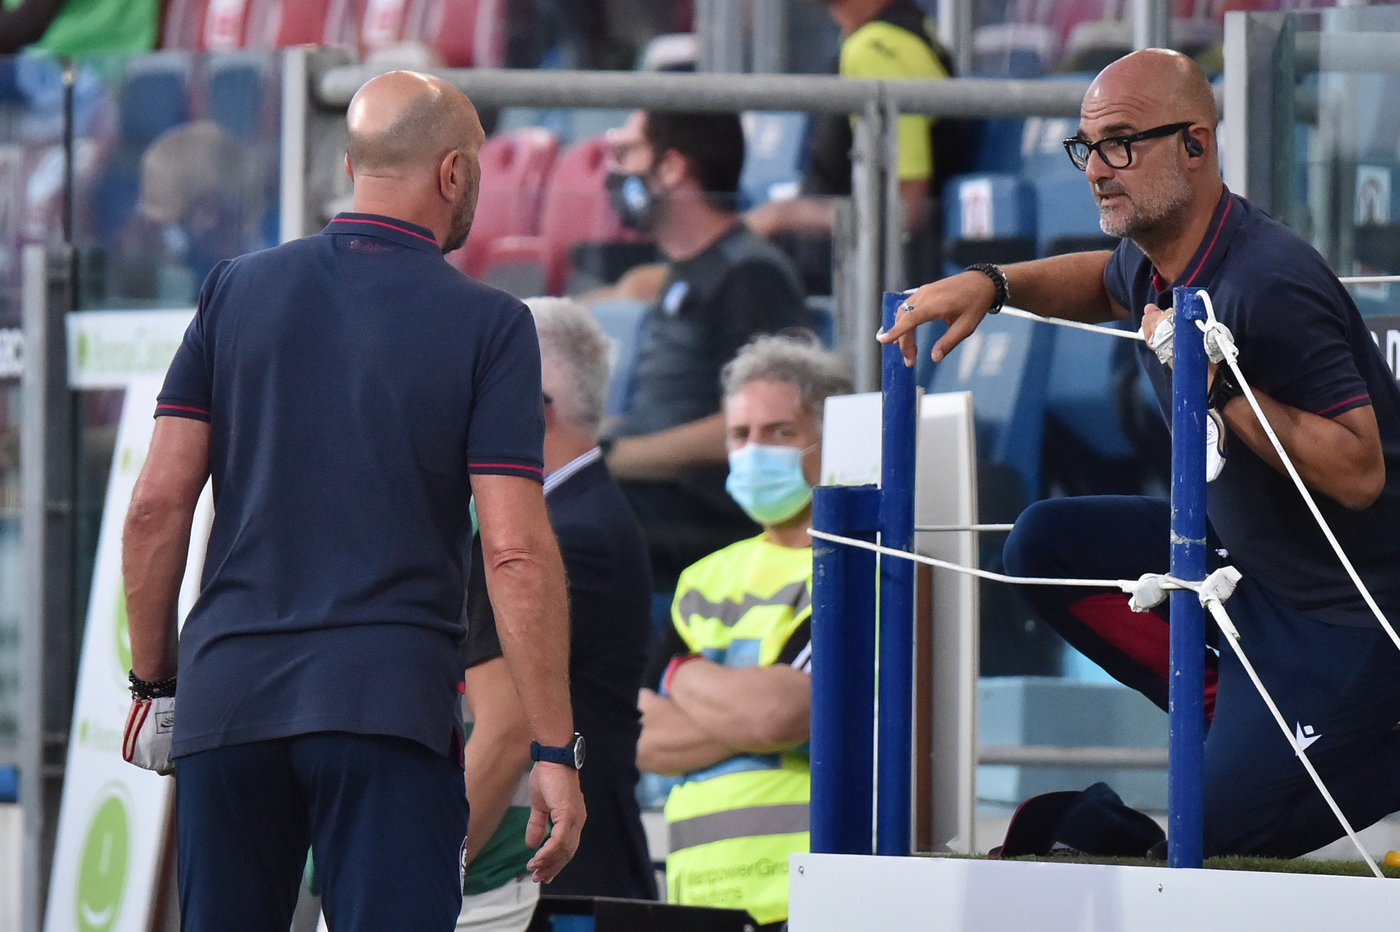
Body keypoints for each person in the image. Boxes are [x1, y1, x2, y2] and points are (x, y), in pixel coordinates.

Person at [881, 48, 1400, 858]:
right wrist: (994, 283)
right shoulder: (1158, 253)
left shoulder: (1269, 282)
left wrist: (1212, 381)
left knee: (1208, 840)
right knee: (1043, 546)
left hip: (1346, 614)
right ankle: (1233, 710)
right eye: (1085, 146)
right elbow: (1103, 278)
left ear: (1195, 143)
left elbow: (1358, 471)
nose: (1095, 169)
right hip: (1247, 566)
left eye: (1120, 142)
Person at [119, 71, 584, 932]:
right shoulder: (489, 325)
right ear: (452, 173)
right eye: (477, 161)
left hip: (228, 704)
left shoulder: (233, 291)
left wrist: (155, 685)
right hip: (385, 709)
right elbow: (514, 550)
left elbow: (156, 506)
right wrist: (555, 748)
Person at [637, 332, 852, 929]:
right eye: (740, 435)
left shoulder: (853, 566)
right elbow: (642, 738)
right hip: (693, 898)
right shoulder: (703, 578)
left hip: (804, 896)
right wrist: (752, 714)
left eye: (779, 432)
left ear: (827, 439)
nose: (755, 450)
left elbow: (779, 717)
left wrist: (682, 675)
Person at [456, 297, 656, 932]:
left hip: (556, 889)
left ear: (522, 403)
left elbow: (510, 733)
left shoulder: (558, 538)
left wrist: (417, 876)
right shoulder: (577, 514)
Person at [598, 109, 809, 590]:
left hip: (703, 513)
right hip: (650, 494)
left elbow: (767, 425)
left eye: (627, 153)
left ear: (671, 168)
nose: (615, 173)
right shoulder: (687, 269)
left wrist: (616, 455)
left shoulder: (749, 276)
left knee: (555, 523)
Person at [744, 0, 956, 241]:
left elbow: (905, 211)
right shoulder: (877, 34)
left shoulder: (876, 48)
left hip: (853, 270)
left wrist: (783, 215)